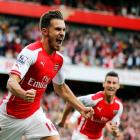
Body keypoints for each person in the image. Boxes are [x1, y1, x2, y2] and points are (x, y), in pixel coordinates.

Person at [0, 10, 93, 140]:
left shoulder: (59, 60)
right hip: (9, 116)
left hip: (34, 115)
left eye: (64, 30)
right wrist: (23, 93)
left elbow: (60, 88)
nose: (62, 33)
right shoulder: (30, 52)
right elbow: (11, 82)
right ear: (44, 31)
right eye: (58, 29)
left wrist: (81, 108)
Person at [58, 71, 124, 140]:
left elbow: (113, 129)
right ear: (104, 84)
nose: (111, 86)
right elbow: (70, 102)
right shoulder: (94, 100)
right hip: (81, 136)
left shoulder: (119, 107)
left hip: (98, 138)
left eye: (114, 83)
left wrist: (115, 133)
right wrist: (63, 120)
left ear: (118, 86)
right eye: (109, 82)